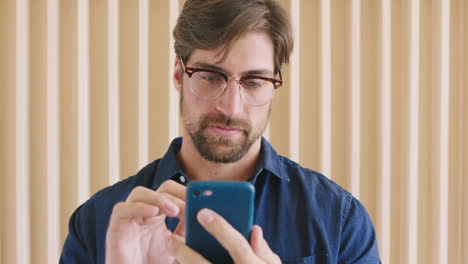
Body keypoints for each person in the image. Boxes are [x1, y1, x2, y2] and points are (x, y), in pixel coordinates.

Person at [60, 0, 381, 263]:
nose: (231, 108)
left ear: (274, 87)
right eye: (211, 76)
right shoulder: (97, 222)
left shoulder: (340, 221)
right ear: (178, 74)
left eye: (254, 82)